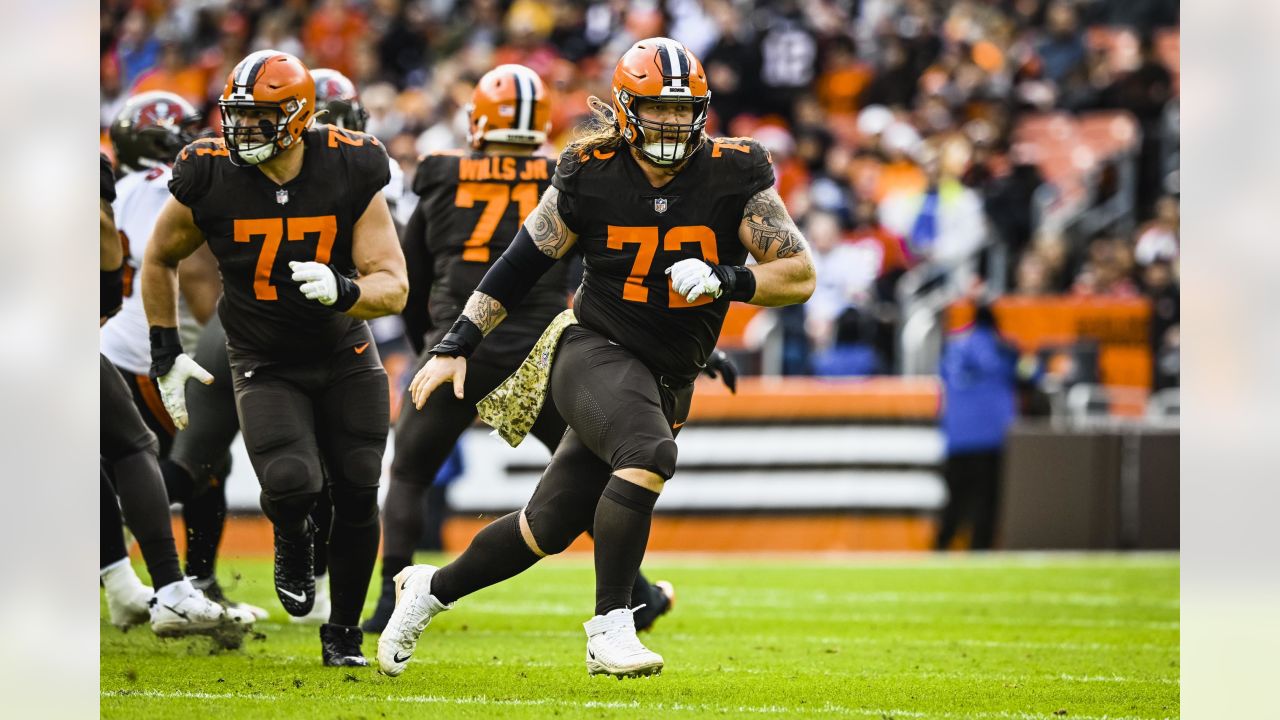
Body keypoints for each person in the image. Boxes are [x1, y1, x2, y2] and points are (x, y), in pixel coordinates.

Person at [379, 38, 815, 679]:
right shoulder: (590, 169)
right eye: (656, 108)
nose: (670, 122)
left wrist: (728, 279)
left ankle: (428, 591)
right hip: (592, 347)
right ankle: (612, 625)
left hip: (670, 372)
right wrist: (452, 346)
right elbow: (518, 267)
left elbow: (798, 273)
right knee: (649, 456)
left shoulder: (734, 172)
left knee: (547, 525)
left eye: (682, 108)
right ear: (625, 107)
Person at [361, 64, 687, 635]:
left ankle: (391, 600)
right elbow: (604, 269)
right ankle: (635, 596)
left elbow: (412, 274)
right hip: (540, 358)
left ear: (478, 119)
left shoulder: (442, 171)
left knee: (410, 473)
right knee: (583, 477)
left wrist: (431, 347)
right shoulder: (569, 169)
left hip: (459, 347)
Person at [140, 50, 408, 666]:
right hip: (263, 356)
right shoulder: (209, 171)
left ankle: (342, 634)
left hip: (344, 350)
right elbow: (159, 256)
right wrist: (165, 350)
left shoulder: (348, 165)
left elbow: (393, 283)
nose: (241, 129)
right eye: (236, 116)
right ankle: (291, 535)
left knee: (359, 486)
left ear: (297, 116)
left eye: (258, 117)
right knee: (291, 482)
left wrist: (345, 290)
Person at [100, 90, 266, 623]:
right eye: (180, 130)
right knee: (191, 461)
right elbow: (184, 266)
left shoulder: (122, 185)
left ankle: (186, 581)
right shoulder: (160, 189)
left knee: (197, 462)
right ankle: (183, 583)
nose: (189, 138)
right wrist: (230, 334)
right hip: (148, 345)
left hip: (118, 342)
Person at [934, 305, 1019, 551]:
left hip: (957, 437)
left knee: (955, 500)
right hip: (992, 437)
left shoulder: (952, 347)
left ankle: (941, 547)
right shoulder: (1004, 349)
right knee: (986, 500)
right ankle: (979, 549)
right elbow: (1029, 374)